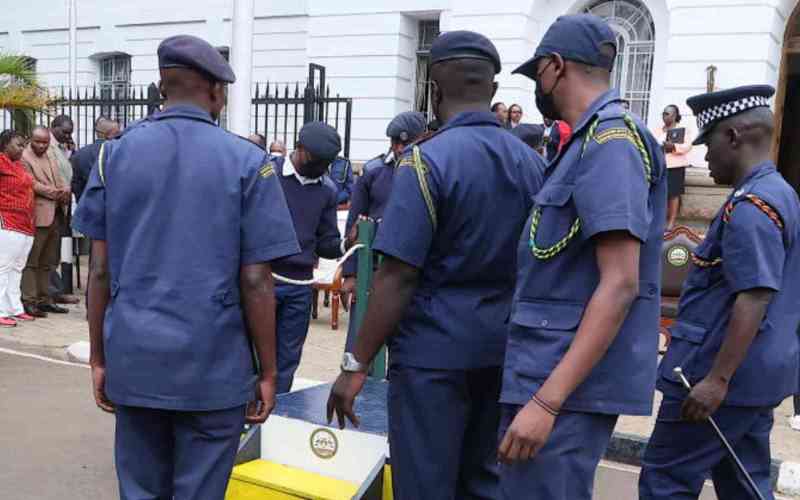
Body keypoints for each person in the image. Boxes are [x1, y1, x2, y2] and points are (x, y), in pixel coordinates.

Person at [71, 34, 300, 500]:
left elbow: (98, 271)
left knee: (140, 490)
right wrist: (269, 372)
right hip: (214, 366)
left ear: (162, 87)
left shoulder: (112, 157)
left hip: (136, 360)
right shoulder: (248, 161)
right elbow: (257, 279)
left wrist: (99, 357)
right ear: (216, 92)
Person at [327, 30, 545, 500]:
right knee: (484, 483)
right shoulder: (533, 165)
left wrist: (355, 364)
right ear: (492, 90)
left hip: (433, 358)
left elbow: (399, 275)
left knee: (425, 483)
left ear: (434, 86)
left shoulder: (425, 162)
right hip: (505, 350)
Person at [497, 15, 667, 500]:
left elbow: (620, 283)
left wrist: (547, 404)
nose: (537, 88)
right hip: (548, 368)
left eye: (537, 76)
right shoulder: (588, 140)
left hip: (561, 385)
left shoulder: (610, 143)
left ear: (555, 66)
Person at [639, 85, 800, 500]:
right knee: (743, 484)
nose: (703, 157)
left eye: (708, 143)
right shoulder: (781, 193)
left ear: (733, 137)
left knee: (665, 482)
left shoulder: (750, 206)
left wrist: (716, 379)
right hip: (755, 378)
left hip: (713, 378)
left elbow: (755, 295)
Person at [270, 121, 350, 394]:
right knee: (253, 352)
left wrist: (345, 244)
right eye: (320, 162)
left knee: (287, 358)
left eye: (328, 163)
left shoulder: (327, 190)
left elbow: (325, 242)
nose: (324, 169)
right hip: (263, 279)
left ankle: (275, 415)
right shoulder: (267, 175)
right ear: (300, 149)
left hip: (300, 286)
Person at [339, 111, 427, 310]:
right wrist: (350, 274)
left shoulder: (431, 173)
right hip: (371, 270)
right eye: (394, 142)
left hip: (414, 271)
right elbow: (355, 224)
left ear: (423, 139)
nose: (398, 149)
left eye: (405, 143)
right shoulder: (373, 171)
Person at [21, 127, 70, 317]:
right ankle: (30, 301)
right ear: (30, 140)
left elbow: (58, 177)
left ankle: (45, 299)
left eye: (45, 142)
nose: (41, 145)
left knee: (48, 262)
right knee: (33, 261)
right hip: (38, 214)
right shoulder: (25, 157)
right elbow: (31, 183)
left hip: (56, 212)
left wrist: (64, 188)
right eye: (38, 142)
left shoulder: (50, 154)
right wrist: (55, 192)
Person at [0, 130, 36, 327]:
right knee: (3, 267)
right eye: (18, 145)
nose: (22, 149)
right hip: (7, 220)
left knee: (17, 268)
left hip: (25, 223)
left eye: (23, 145)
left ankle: (14, 308)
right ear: (5, 145)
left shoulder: (19, 165)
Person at [654, 104, 696, 229]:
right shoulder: (657, 130)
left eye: (667, 114)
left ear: (675, 116)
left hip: (675, 166)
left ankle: (671, 222)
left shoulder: (683, 130)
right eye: (663, 113)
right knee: (660, 193)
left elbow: (688, 146)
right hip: (660, 165)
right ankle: (659, 221)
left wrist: (673, 147)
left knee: (673, 194)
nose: (664, 116)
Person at [71, 118, 121, 202]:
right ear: (108, 135)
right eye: (118, 134)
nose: (120, 137)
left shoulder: (79, 154)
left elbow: (75, 183)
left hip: (85, 205)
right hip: (112, 206)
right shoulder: (118, 152)